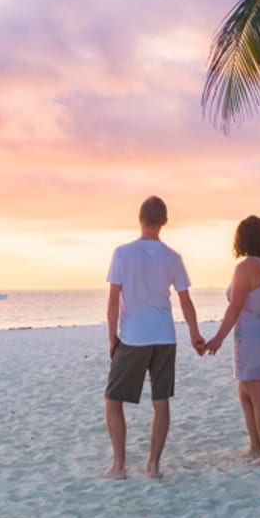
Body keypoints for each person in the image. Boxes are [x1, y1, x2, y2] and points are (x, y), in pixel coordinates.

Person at [103, 195, 205, 480]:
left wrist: (112, 337)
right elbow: (185, 301)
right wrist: (194, 334)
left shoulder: (122, 253)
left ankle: (119, 466)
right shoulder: (173, 257)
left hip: (133, 336)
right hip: (164, 336)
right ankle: (154, 466)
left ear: (140, 219)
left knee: (113, 400)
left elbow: (113, 301)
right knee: (161, 402)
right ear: (165, 222)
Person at [205, 215, 260, 467]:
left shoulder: (245, 267)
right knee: (244, 391)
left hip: (250, 334)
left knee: (258, 395)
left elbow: (235, 307)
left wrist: (217, 338)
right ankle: (255, 447)